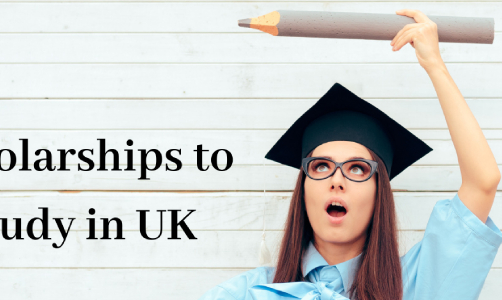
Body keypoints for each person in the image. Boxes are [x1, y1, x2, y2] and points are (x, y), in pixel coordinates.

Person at [199, 9, 502, 300]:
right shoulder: (248, 293)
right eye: (320, 167)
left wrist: (434, 63)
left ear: (378, 191)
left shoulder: (418, 283)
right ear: (303, 188)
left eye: (357, 169)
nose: (337, 181)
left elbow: (483, 182)